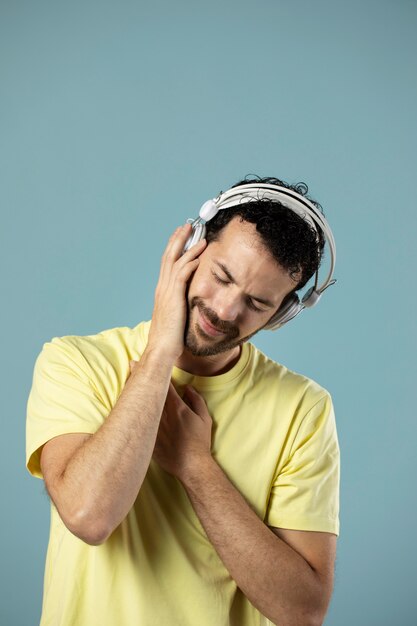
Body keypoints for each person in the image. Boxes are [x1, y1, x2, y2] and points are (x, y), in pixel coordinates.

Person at [26, 175, 340, 626]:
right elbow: (88, 515)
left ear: (283, 313)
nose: (227, 310)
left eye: (257, 302)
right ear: (190, 247)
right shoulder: (76, 363)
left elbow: (302, 611)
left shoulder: (303, 409)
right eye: (222, 277)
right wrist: (159, 355)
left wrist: (195, 465)